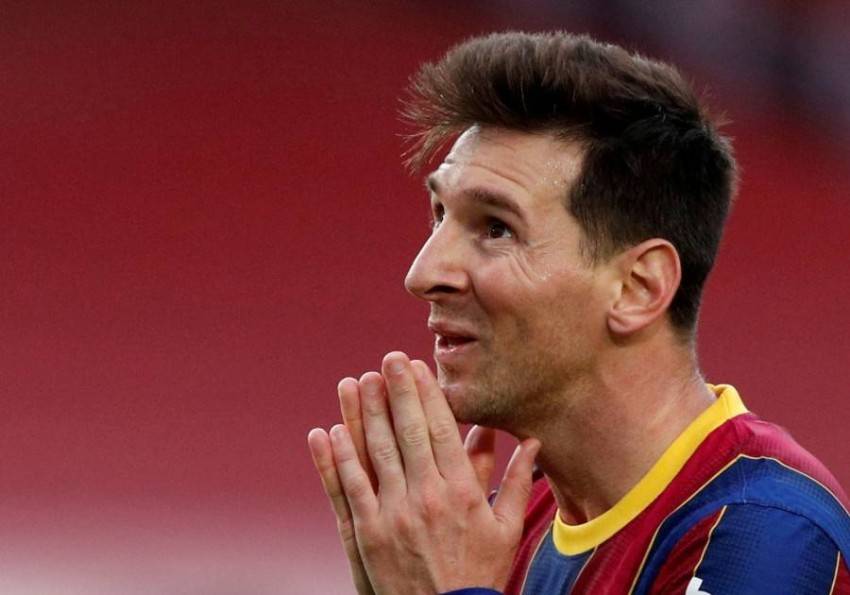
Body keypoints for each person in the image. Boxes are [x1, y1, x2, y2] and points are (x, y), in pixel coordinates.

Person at [307, 31, 850, 594]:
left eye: (496, 228)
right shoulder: (497, 537)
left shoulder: (763, 536)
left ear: (638, 288)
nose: (423, 274)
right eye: (439, 213)